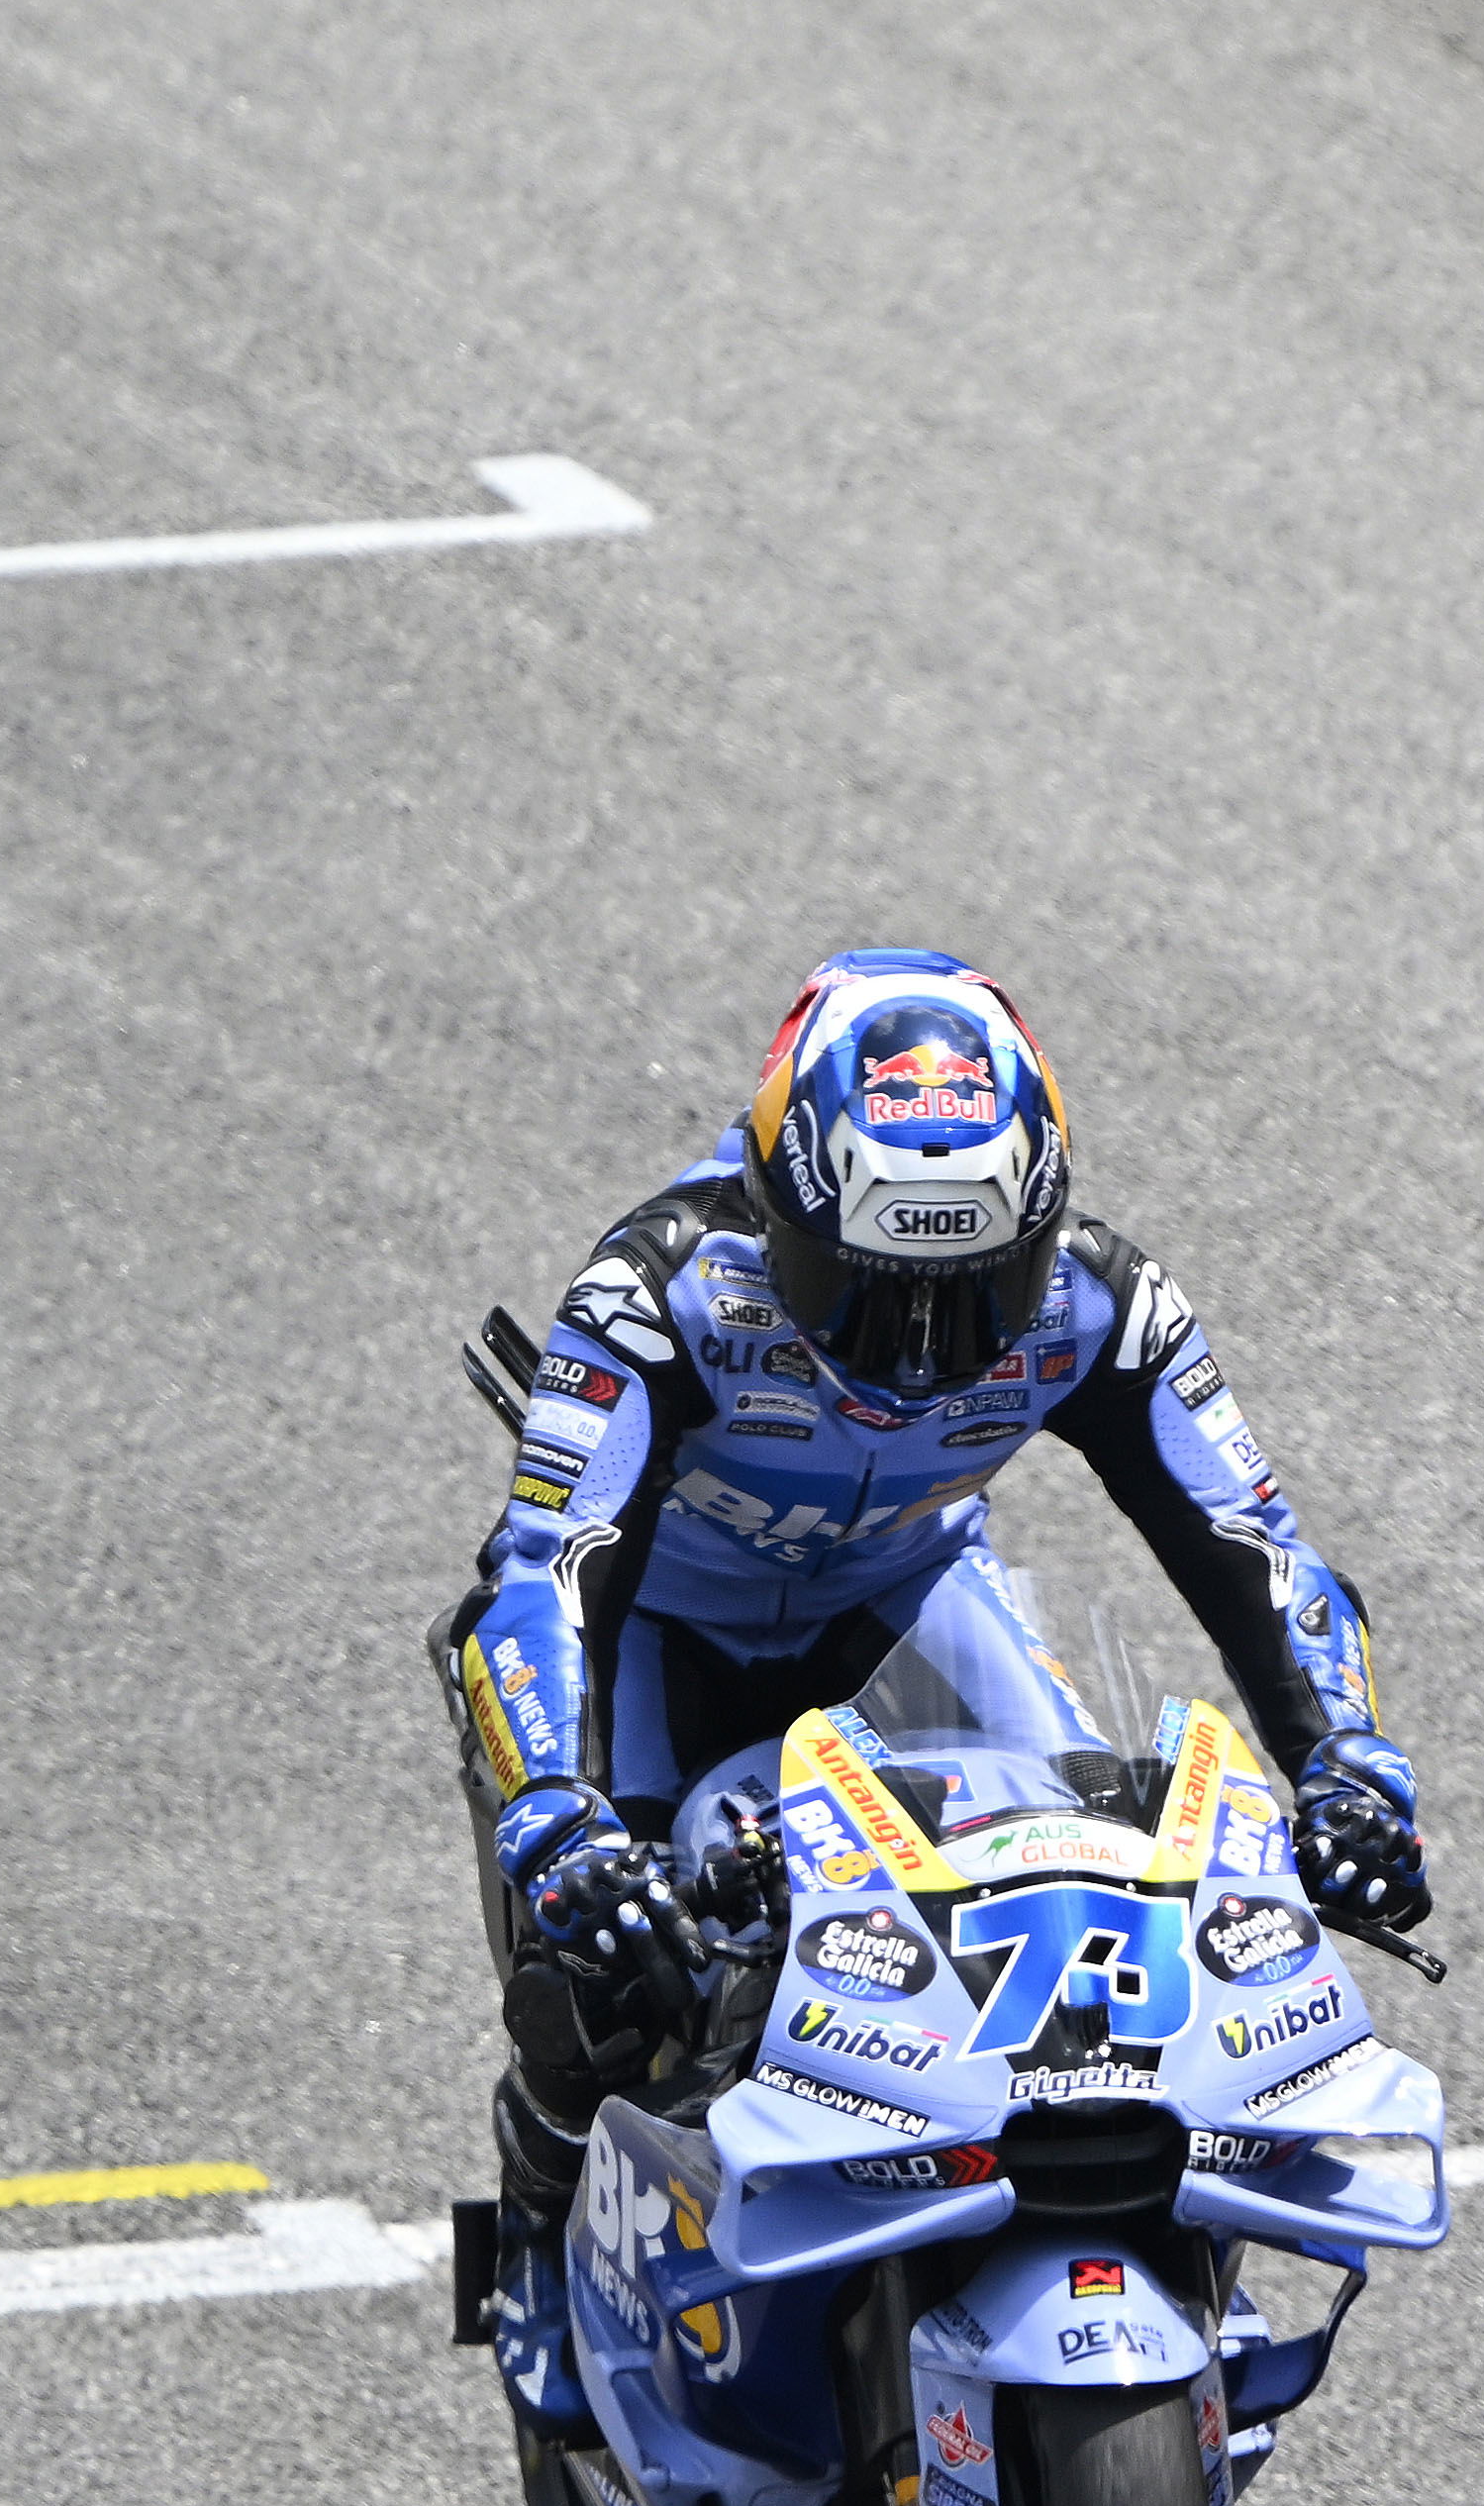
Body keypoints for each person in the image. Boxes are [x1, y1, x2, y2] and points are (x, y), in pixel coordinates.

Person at [437, 951, 1432, 2364]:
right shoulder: (657, 1289)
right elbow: (544, 1571)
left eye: (975, 1295)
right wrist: (556, 1810)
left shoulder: (1105, 1301)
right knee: (599, 1980)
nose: (917, 1352)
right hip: (657, 1634)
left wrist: (1351, 1764)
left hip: (906, 1610)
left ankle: (1165, 2280)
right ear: (781, 1214)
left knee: (1098, 1900)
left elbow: (1256, 1540)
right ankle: (529, 2259)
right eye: (866, 1292)